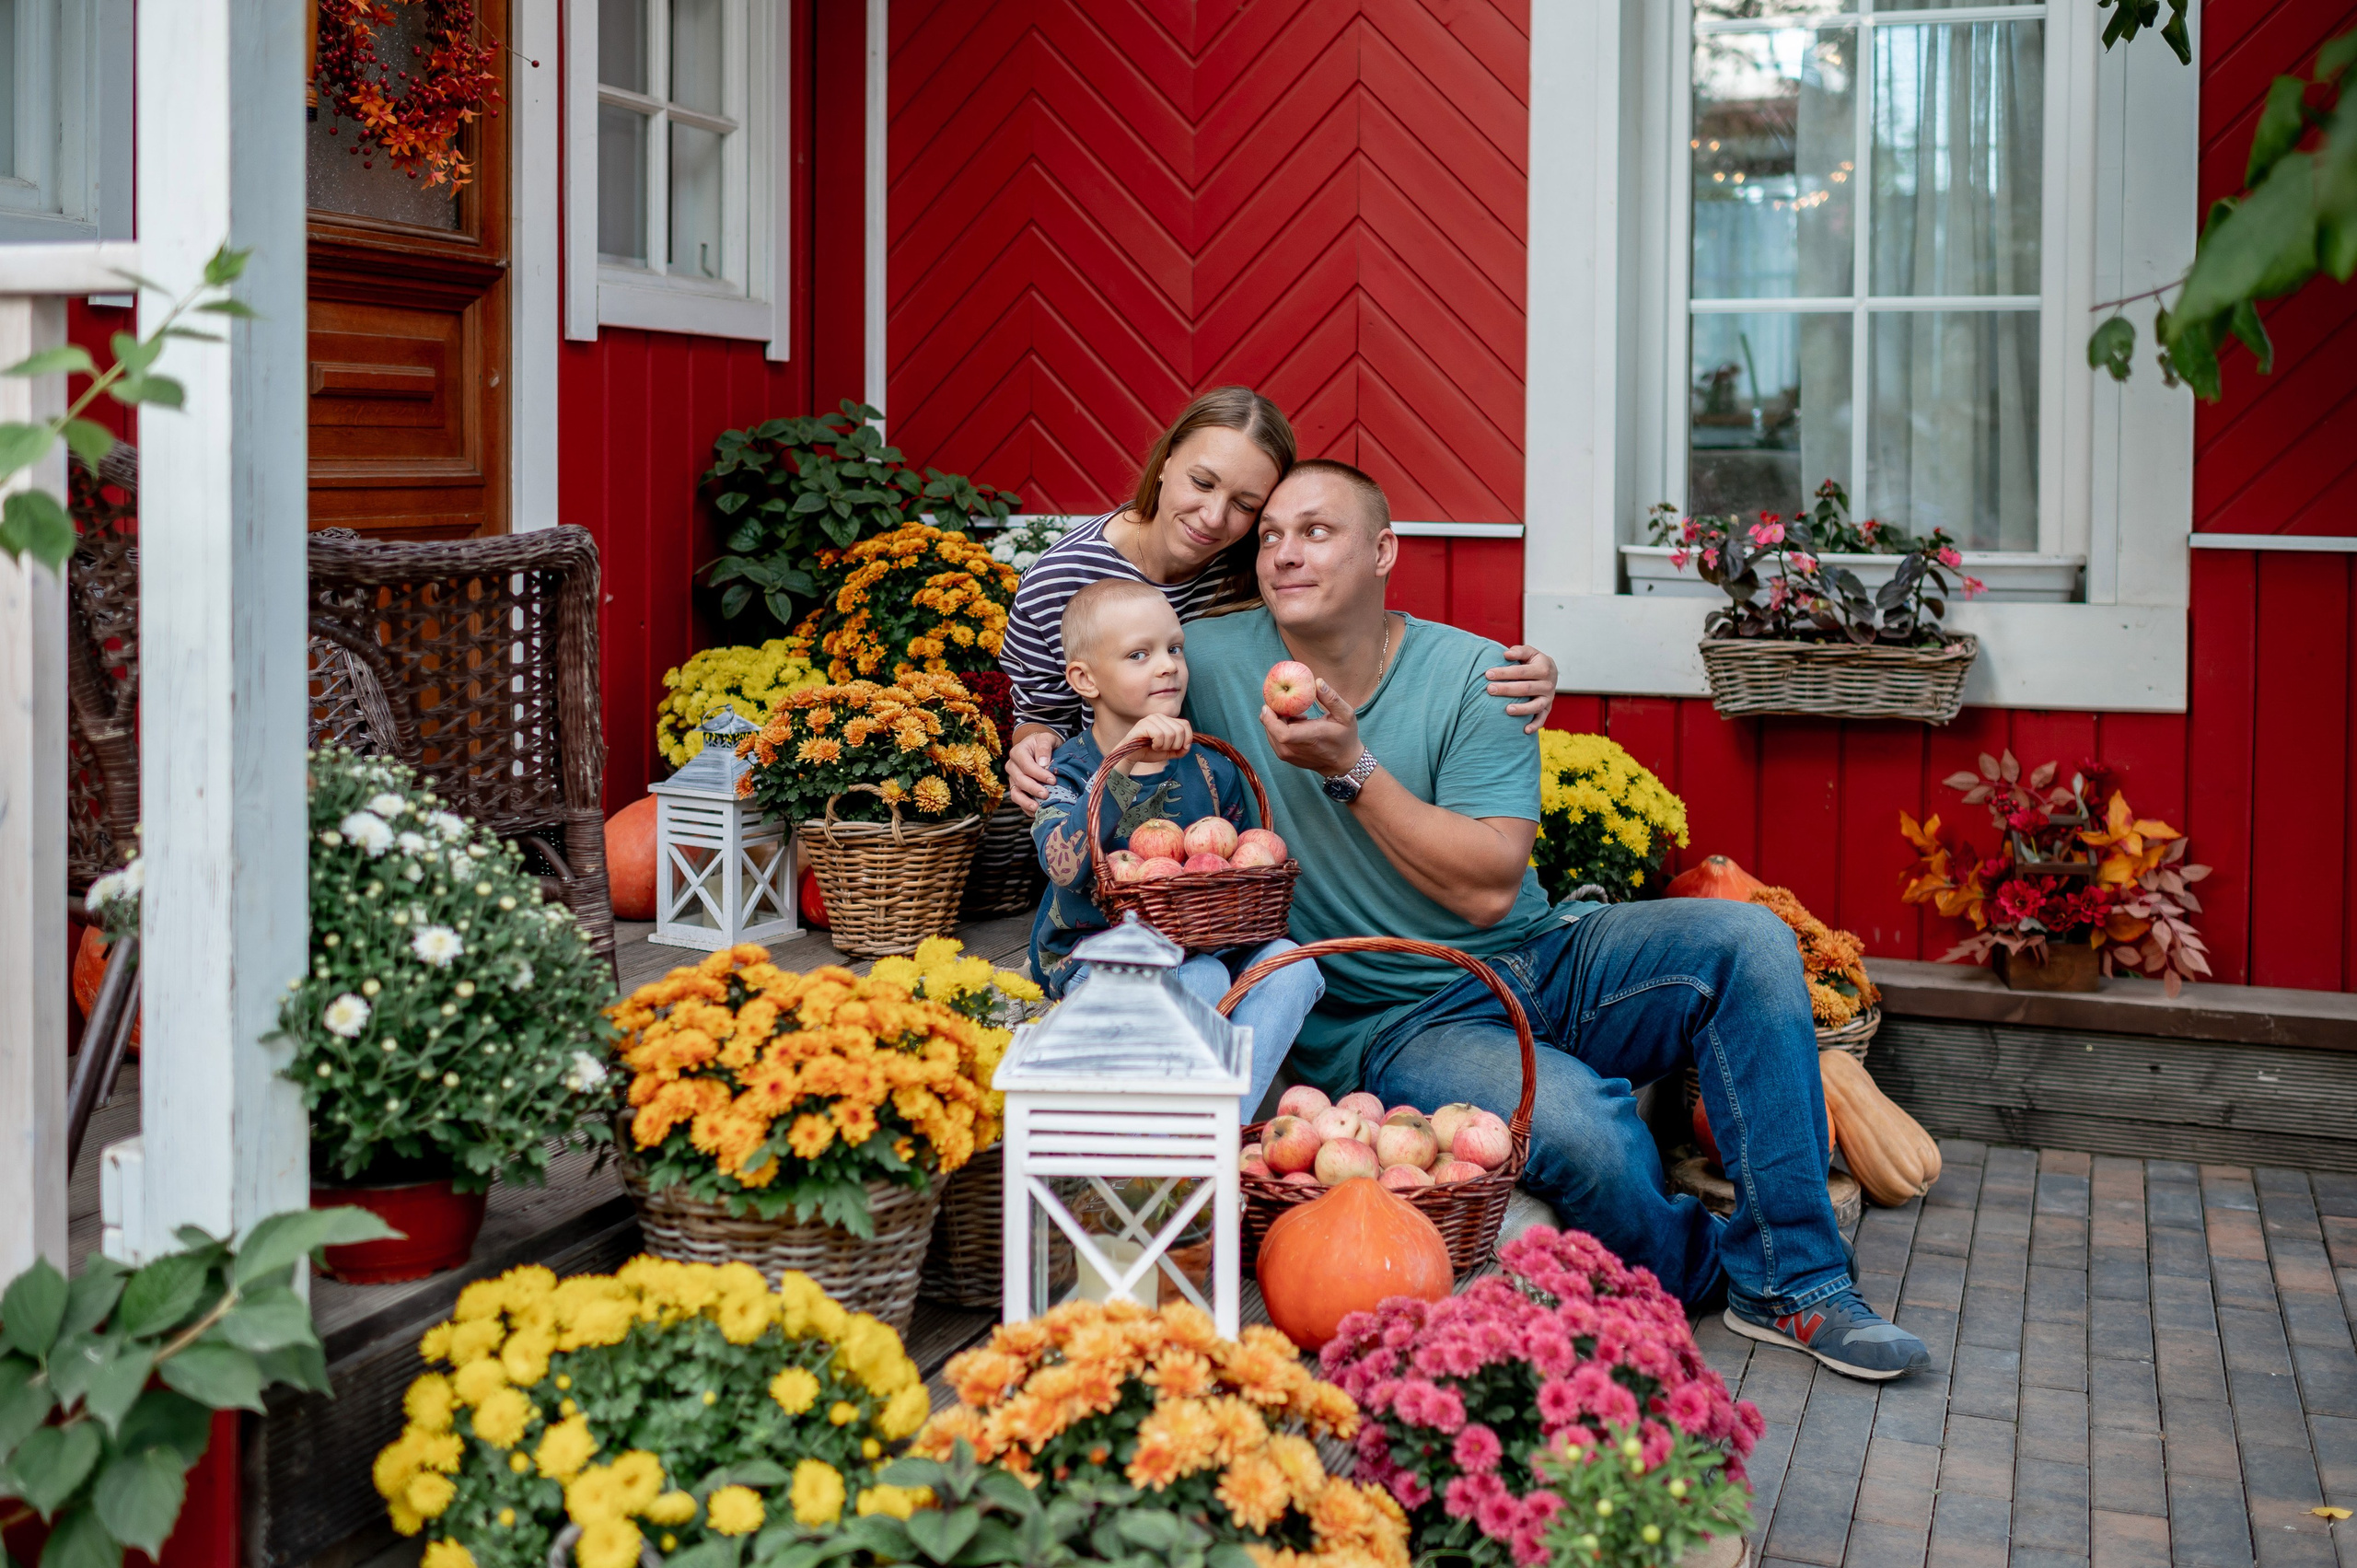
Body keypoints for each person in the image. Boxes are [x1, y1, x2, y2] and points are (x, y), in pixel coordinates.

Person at [1179, 459, 1931, 1382]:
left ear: (1383, 551)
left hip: (1543, 953)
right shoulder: (1211, 663)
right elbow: (1095, 653)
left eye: (1317, 531)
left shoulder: (1475, 673)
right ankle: (1710, 1265)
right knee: (1583, 1128)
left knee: (1748, 939)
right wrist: (1037, 743)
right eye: (1271, 536)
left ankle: (1798, 1285)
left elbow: (1491, 887)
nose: (1285, 554)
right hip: (1401, 1016)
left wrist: (1353, 768)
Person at [999, 386, 1561, 815]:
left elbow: (1355, 615)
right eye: (1201, 482)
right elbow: (1041, 717)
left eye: (1245, 504)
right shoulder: (1061, 580)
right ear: (1166, 461)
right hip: (1109, 813)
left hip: (1227, 814)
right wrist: (1031, 746)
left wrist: (1496, 671)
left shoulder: (1253, 562)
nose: (1215, 519)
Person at [1028, 579, 1323, 1120]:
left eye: (1174, 649)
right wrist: (1117, 767)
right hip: (1096, 959)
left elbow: (1233, 868)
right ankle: (1194, 1135)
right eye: (1139, 654)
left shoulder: (1212, 770)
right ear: (1084, 680)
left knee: (1292, 965)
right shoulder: (1071, 769)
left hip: (1205, 945)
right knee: (1201, 976)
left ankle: (1215, 1130)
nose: (1167, 665)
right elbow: (1062, 866)